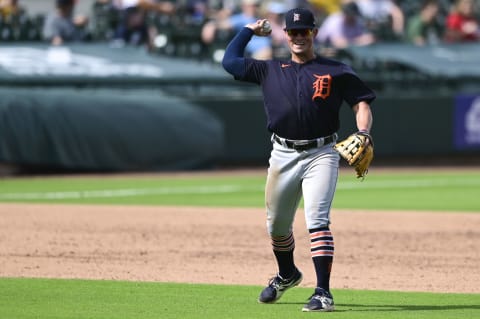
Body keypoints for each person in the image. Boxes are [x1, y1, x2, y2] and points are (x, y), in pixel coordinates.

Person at [222, 7, 375, 312]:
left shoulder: (337, 70)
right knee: (277, 226)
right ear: (286, 36)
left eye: (304, 31)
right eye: (293, 32)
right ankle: (287, 274)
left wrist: (364, 133)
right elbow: (229, 62)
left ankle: (323, 293)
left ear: (314, 34)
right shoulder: (269, 69)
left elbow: (361, 103)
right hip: (282, 153)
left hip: (322, 153)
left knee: (317, 220)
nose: (298, 37)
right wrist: (249, 30)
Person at [201, 0, 272, 60]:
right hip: (253, 54)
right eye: (253, 6)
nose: (255, 8)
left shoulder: (259, 18)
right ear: (244, 7)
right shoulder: (240, 19)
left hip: (269, 51)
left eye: (257, 5)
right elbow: (221, 25)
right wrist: (210, 26)